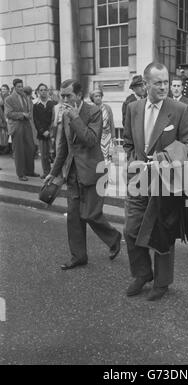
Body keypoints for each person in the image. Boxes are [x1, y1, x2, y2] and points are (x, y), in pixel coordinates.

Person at [123, 62, 188, 301]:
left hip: (167, 182)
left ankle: (162, 282)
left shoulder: (180, 109)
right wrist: (132, 163)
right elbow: (127, 142)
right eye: (158, 83)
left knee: (163, 234)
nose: (164, 87)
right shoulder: (133, 108)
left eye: (166, 81)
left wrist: (166, 157)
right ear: (145, 84)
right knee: (131, 229)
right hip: (139, 179)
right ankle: (142, 273)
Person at [45, 79, 122, 270]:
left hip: (93, 171)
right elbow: (63, 147)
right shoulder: (64, 115)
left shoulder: (93, 111)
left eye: (68, 95)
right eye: (62, 95)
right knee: (73, 216)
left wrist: (75, 117)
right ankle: (78, 256)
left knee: (91, 214)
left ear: (79, 95)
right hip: (72, 173)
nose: (64, 99)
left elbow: (90, 140)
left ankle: (114, 238)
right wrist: (53, 173)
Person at [5, 79, 38, 181]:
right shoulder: (9, 99)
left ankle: (30, 171)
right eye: (18, 86)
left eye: (21, 86)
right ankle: (21, 174)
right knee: (19, 150)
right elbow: (8, 114)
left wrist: (28, 115)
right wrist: (22, 115)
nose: (20, 88)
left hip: (27, 124)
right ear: (14, 87)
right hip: (17, 126)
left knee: (30, 147)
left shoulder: (25, 96)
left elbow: (29, 109)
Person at [33, 83, 56, 179]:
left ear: (47, 91)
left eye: (45, 90)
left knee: (55, 154)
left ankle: (55, 173)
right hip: (42, 133)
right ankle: (46, 172)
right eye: (41, 90)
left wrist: (50, 131)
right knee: (44, 155)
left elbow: (54, 118)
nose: (43, 92)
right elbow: (36, 120)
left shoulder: (53, 104)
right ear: (38, 92)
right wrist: (43, 131)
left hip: (52, 133)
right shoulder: (36, 105)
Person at [90, 88, 116, 162]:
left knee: (108, 157)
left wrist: (113, 136)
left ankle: (108, 171)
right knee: (99, 156)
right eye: (96, 96)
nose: (98, 98)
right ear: (92, 98)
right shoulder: (91, 109)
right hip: (97, 136)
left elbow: (111, 122)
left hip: (107, 135)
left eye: (99, 96)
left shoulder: (107, 108)